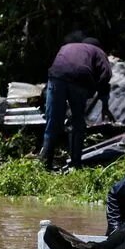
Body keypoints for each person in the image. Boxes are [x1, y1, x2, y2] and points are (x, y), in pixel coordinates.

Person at [39, 37, 116, 170]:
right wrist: (102, 100)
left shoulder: (67, 46)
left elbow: (59, 65)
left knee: (53, 121)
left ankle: (45, 165)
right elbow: (106, 74)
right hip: (80, 78)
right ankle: (75, 164)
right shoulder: (98, 51)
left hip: (56, 76)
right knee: (77, 122)